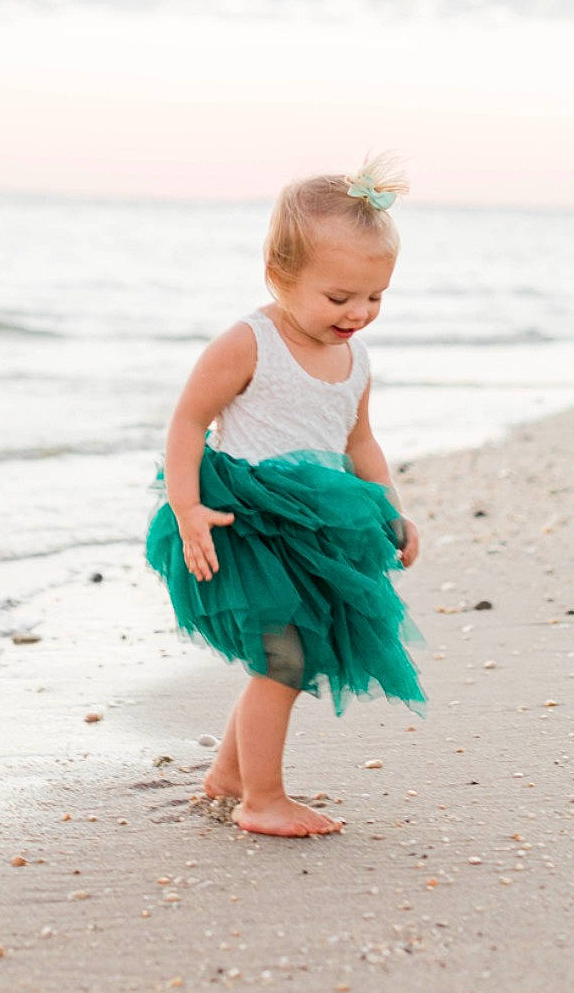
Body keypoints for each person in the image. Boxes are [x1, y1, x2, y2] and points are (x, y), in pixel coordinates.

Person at [145, 153, 425, 837]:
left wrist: (389, 507)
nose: (357, 313)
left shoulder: (353, 356)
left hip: (315, 531)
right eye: (338, 298)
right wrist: (186, 509)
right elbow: (186, 421)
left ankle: (229, 777)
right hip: (244, 523)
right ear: (279, 274)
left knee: (293, 653)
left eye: (374, 298)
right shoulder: (249, 343)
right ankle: (262, 801)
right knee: (283, 660)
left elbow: (359, 442)